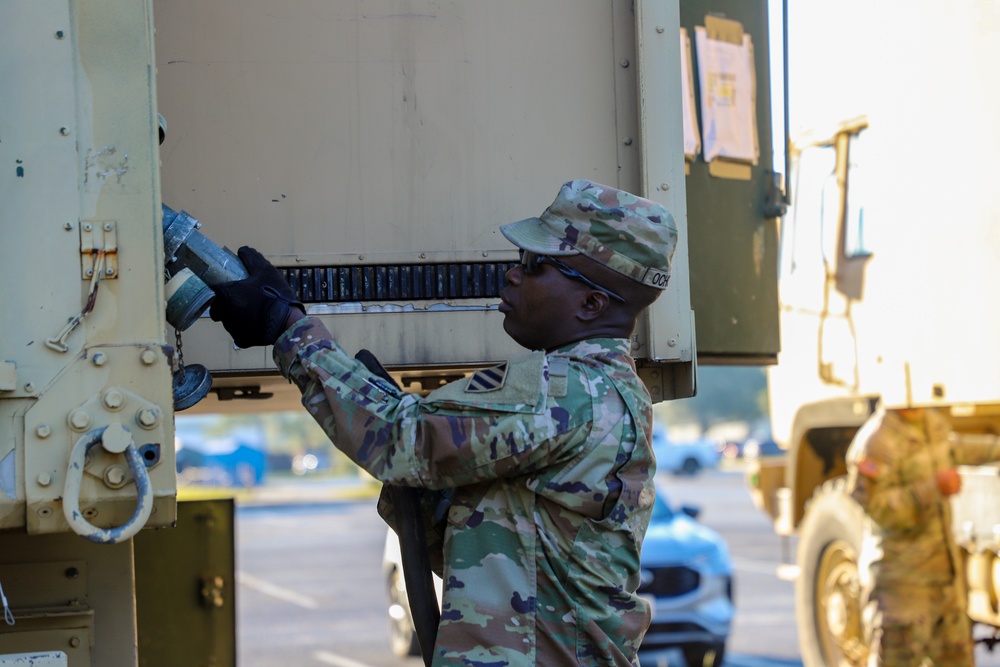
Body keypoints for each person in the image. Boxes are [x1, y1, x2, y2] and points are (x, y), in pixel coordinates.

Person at [208, 179, 679, 666]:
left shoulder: (564, 391)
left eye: (535, 265)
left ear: (591, 305)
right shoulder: (604, 391)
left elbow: (398, 438)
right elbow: (469, 538)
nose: (513, 275)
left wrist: (288, 327)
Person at [847, 406, 1000, 666]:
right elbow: (877, 509)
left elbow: (955, 449)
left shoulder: (932, 423)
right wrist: (932, 488)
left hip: (945, 584)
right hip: (902, 588)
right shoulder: (876, 441)